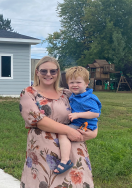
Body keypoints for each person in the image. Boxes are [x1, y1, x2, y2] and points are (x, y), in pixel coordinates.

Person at [19, 56, 98, 188]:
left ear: (58, 72)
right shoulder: (29, 93)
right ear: (37, 72)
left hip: (73, 149)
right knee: (44, 181)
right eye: (44, 71)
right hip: (44, 151)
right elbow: (38, 121)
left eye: (53, 71)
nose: (48, 74)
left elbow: (90, 113)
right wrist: (69, 130)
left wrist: (93, 133)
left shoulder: (67, 94)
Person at [54, 66, 101, 174]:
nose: (74, 85)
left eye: (78, 82)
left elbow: (95, 113)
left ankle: (65, 160)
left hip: (83, 124)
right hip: (79, 122)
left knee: (63, 133)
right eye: (71, 82)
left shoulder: (89, 98)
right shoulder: (75, 95)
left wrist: (78, 115)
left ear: (86, 83)